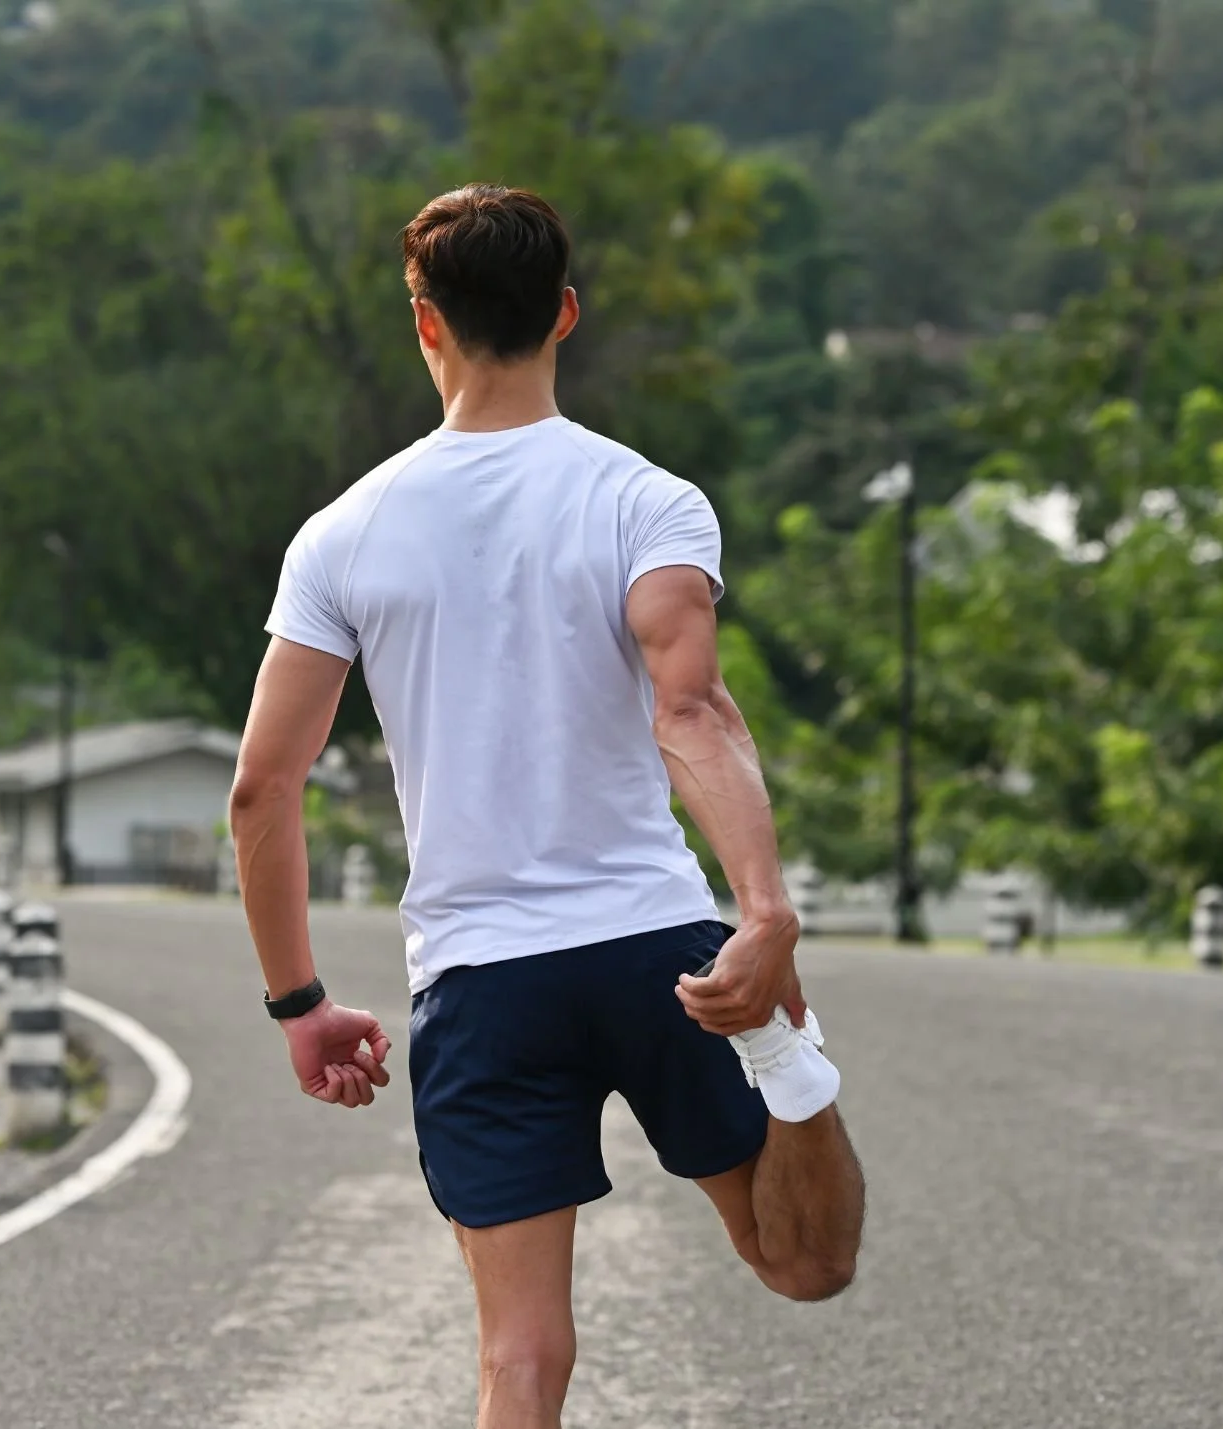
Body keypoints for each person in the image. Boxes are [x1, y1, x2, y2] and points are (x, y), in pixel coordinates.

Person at [229, 184, 866, 1429]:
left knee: (518, 1360)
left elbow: (263, 787)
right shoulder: (646, 500)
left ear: (425, 320)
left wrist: (299, 1003)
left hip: (482, 980)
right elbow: (694, 710)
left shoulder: (342, 533)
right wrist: (763, 914)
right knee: (803, 1261)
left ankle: (783, 1066)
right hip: (656, 949)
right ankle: (790, 1070)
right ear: (563, 313)